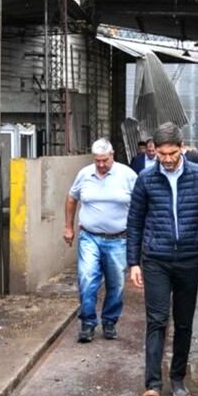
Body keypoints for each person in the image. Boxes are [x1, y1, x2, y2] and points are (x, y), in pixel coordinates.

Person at [127, 122, 198, 396]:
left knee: (183, 322)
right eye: (162, 154)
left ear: (182, 147)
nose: (167, 159)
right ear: (154, 151)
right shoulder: (146, 179)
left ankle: (178, 378)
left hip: (189, 259)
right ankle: (153, 385)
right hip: (155, 259)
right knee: (156, 321)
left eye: (172, 153)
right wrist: (134, 262)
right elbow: (134, 223)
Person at [63, 138, 138, 343]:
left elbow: (141, 204)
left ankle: (109, 321)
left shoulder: (128, 175)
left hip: (119, 239)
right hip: (89, 237)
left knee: (116, 283)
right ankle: (87, 323)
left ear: (112, 155)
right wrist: (68, 226)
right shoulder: (84, 174)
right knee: (87, 279)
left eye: (105, 160)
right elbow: (71, 198)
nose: (102, 165)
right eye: (98, 161)